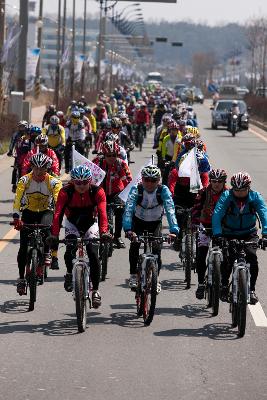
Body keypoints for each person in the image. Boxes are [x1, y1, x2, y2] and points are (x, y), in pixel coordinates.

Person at [47, 165, 110, 307]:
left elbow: (103, 214)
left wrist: (104, 232)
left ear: (90, 181)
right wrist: (54, 235)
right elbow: (57, 215)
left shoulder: (98, 191)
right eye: (78, 183)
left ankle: (95, 291)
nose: (81, 186)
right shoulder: (65, 192)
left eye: (85, 182)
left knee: (93, 254)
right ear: (72, 182)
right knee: (69, 251)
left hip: (90, 224)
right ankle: (70, 273)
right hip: (72, 224)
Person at [212, 172, 267, 304]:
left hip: (249, 233)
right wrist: (218, 234)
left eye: (242, 190)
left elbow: (264, 215)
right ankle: (224, 285)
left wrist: (265, 234)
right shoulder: (227, 196)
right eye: (236, 190)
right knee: (228, 259)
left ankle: (251, 289)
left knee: (252, 258)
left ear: (248, 188)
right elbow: (217, 214)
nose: (239, 193)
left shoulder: (255, 197)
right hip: (229, 232)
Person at [122, 165, 179, 292]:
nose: (149, 183)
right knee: (135, 245)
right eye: (146, 180)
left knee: (157, 250)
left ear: (158, 180)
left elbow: (170, 210)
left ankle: (156, 279)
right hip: (138, 222)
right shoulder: (136, 190)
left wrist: (174, 230)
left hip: (155, 223)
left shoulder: (163, 190)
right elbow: (128, 210)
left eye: (153, 180)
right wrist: (128, 229)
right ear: (142, 179)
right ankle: (133, 276)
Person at [12, 153, 62, 295]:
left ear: (47, 168)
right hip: (29, 212)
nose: (39, 171)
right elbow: (17, 199)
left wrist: (59, 217)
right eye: (36, 168)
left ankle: (47, 252)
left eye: (43, 168)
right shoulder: (24, 180)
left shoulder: (54, 182)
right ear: (32, 167)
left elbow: (58, 201)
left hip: (46, 211)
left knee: (48, 228)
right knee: (22, 249)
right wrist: (16, 217)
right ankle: (21, 279)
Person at [192, 169, 228, 299]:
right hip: (205, 226)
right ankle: (201, 284)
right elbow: (196, 209)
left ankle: (223, 283)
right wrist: (195, 223)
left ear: (224, 182)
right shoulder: (203, 192)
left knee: (226, 256)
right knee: (201, 255)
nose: (217, 184)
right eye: (214, 181)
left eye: (220, 181)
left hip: (223, 228)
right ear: (210, 181)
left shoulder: (229, 194)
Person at [93, 140, 132, 248]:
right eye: (108, 155)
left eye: (114, 155)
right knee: (99, 211)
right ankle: (100, 234)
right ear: (104, 155)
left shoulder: (121, 164)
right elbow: (89, 175)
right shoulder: (97, 162)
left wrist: (129, 196)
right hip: (100, 192)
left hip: (116, 192)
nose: (111, 158)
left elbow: (128, 180)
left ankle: (117, 236)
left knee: (120, 210)